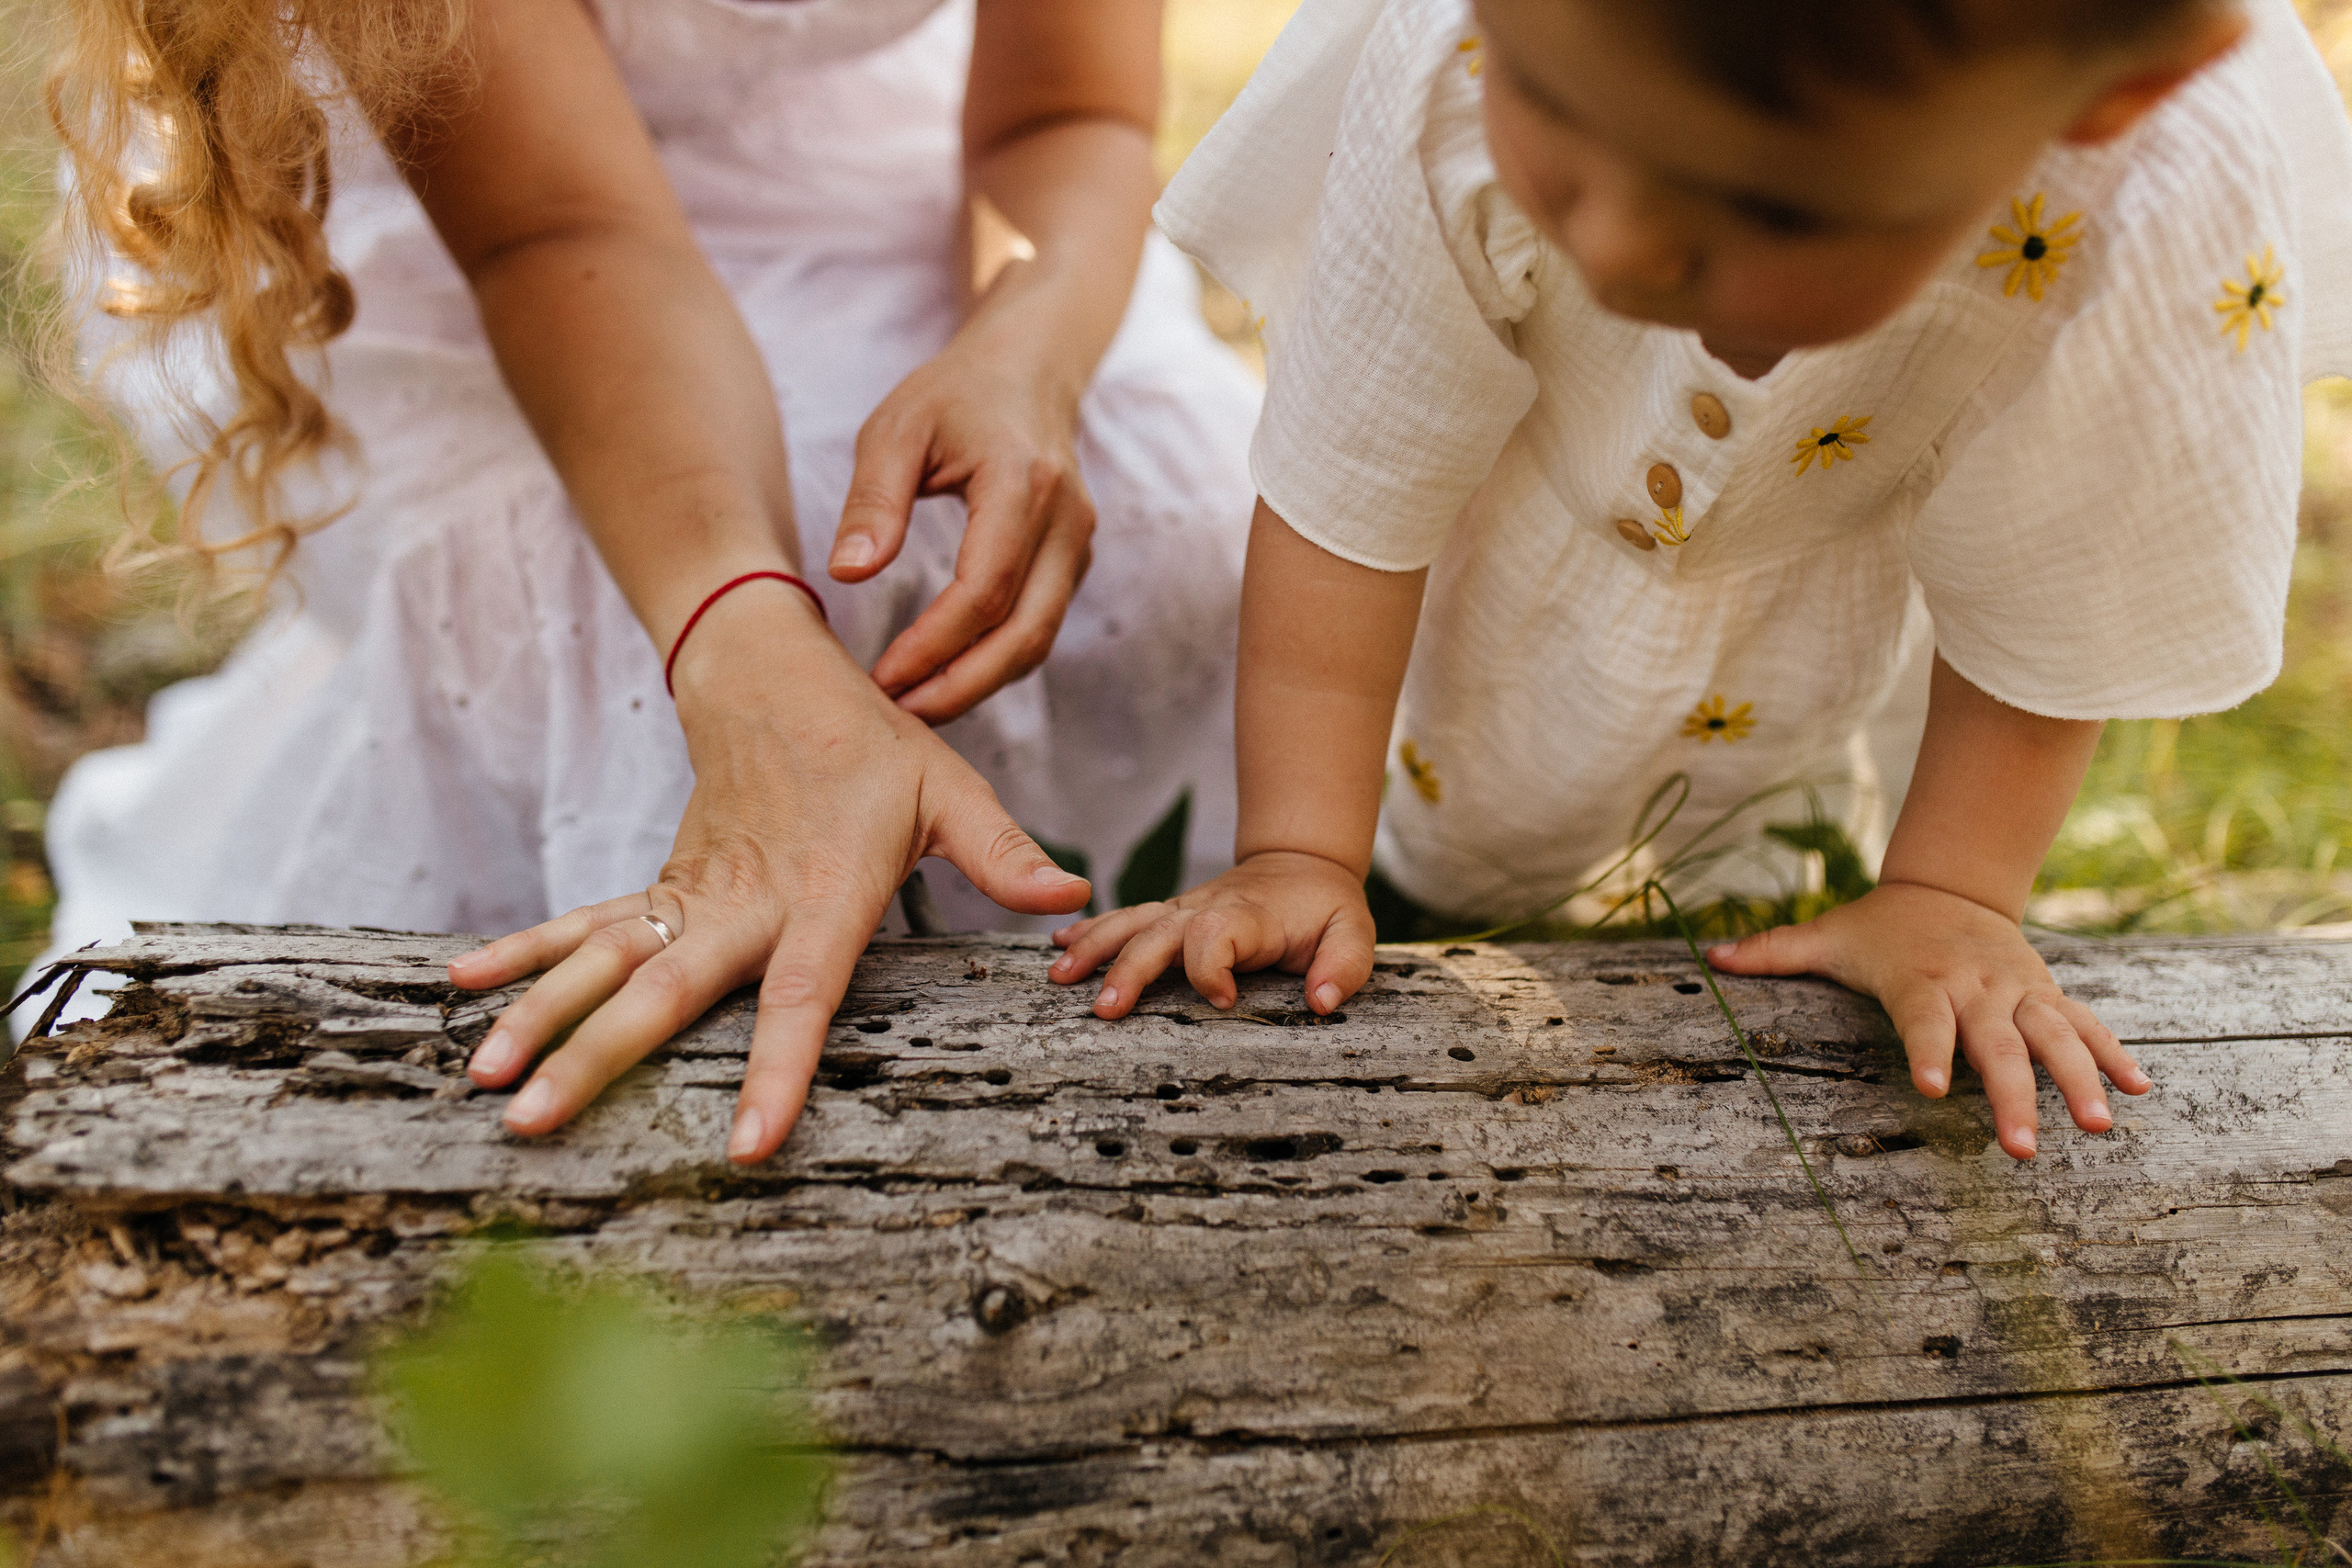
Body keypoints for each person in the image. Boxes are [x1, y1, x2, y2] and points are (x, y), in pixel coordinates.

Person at [1048, 0, 2352, 1160]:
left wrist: (1954, 893)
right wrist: (1294, 849)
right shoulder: (1459, 40)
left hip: (1843, 533)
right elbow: (1358, 474)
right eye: (1547, 101)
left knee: (1795, 821)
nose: (1616, 250)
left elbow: (2059, 570)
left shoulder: (2152, 188)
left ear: (2104, 93)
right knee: (1448, 798)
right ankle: (1395, 868)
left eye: (1778, 207)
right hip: (1513, 511)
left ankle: (1861, 886)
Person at [39, 0, 1258, 1162]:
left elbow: (1063, 111)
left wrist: (1021, 356)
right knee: (670, 655)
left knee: (1167, 527)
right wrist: (747, 651)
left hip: (865, 159)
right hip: (491, 208)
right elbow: (563, 229)